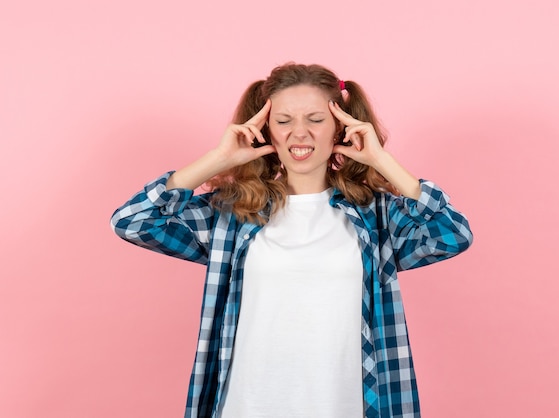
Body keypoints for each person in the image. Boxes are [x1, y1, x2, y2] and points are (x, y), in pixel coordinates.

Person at [110, 63, 473, 418]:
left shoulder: (377, 216)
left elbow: (453, 233)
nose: (300, 133)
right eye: (283, 121)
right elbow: (133, 221)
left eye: (316, 120)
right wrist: (219, 158)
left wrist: (380, 158)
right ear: (267, 130)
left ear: (339, 129)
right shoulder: (233, 215)